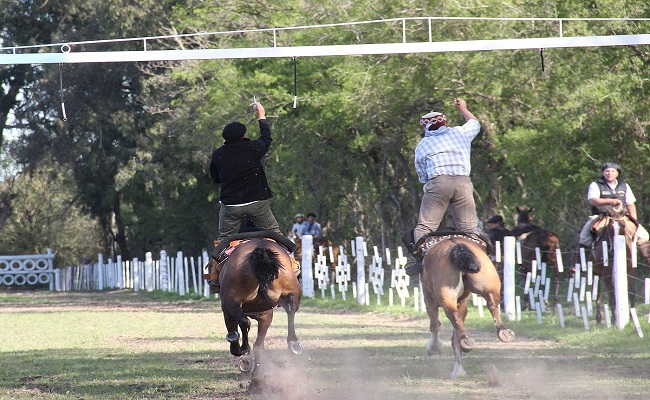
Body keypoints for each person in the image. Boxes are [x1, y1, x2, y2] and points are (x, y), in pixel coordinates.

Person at [404, 97, 483, 276]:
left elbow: (421, 174)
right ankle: (481, 258)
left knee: (425, 227)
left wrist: (429, 184)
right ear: (444, 122)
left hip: (438, 183)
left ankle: (419, 260)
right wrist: (463, 108)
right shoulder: (460, 133)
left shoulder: (423, 144)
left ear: (425, 127)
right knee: (469, 228)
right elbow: (475, 123)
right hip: (463, 183)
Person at [209, 100, 282, 241]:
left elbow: (216, 179)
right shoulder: (253, 147)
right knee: (275, 235)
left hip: (231, 206)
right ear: (243, 135)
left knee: (224, 240)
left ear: (225, 138)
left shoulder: (218, 154)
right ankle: (291, 262)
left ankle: (216, 262)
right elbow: (266, 137)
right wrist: (261, 116)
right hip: (257, 204)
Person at [578, 162, 649, 249]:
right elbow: (593, 200)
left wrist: (634, 221)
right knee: (584, 238)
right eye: (607, 171)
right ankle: (585, 259)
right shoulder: (596, 184)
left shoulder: (624, 186)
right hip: (602, 216)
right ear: (603, 172)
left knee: (644, 236)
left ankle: (646, 259)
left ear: (617, 173)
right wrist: (609, 201)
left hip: (622, 217)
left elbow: (631, 205)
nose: (609, 173)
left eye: (613, 171)